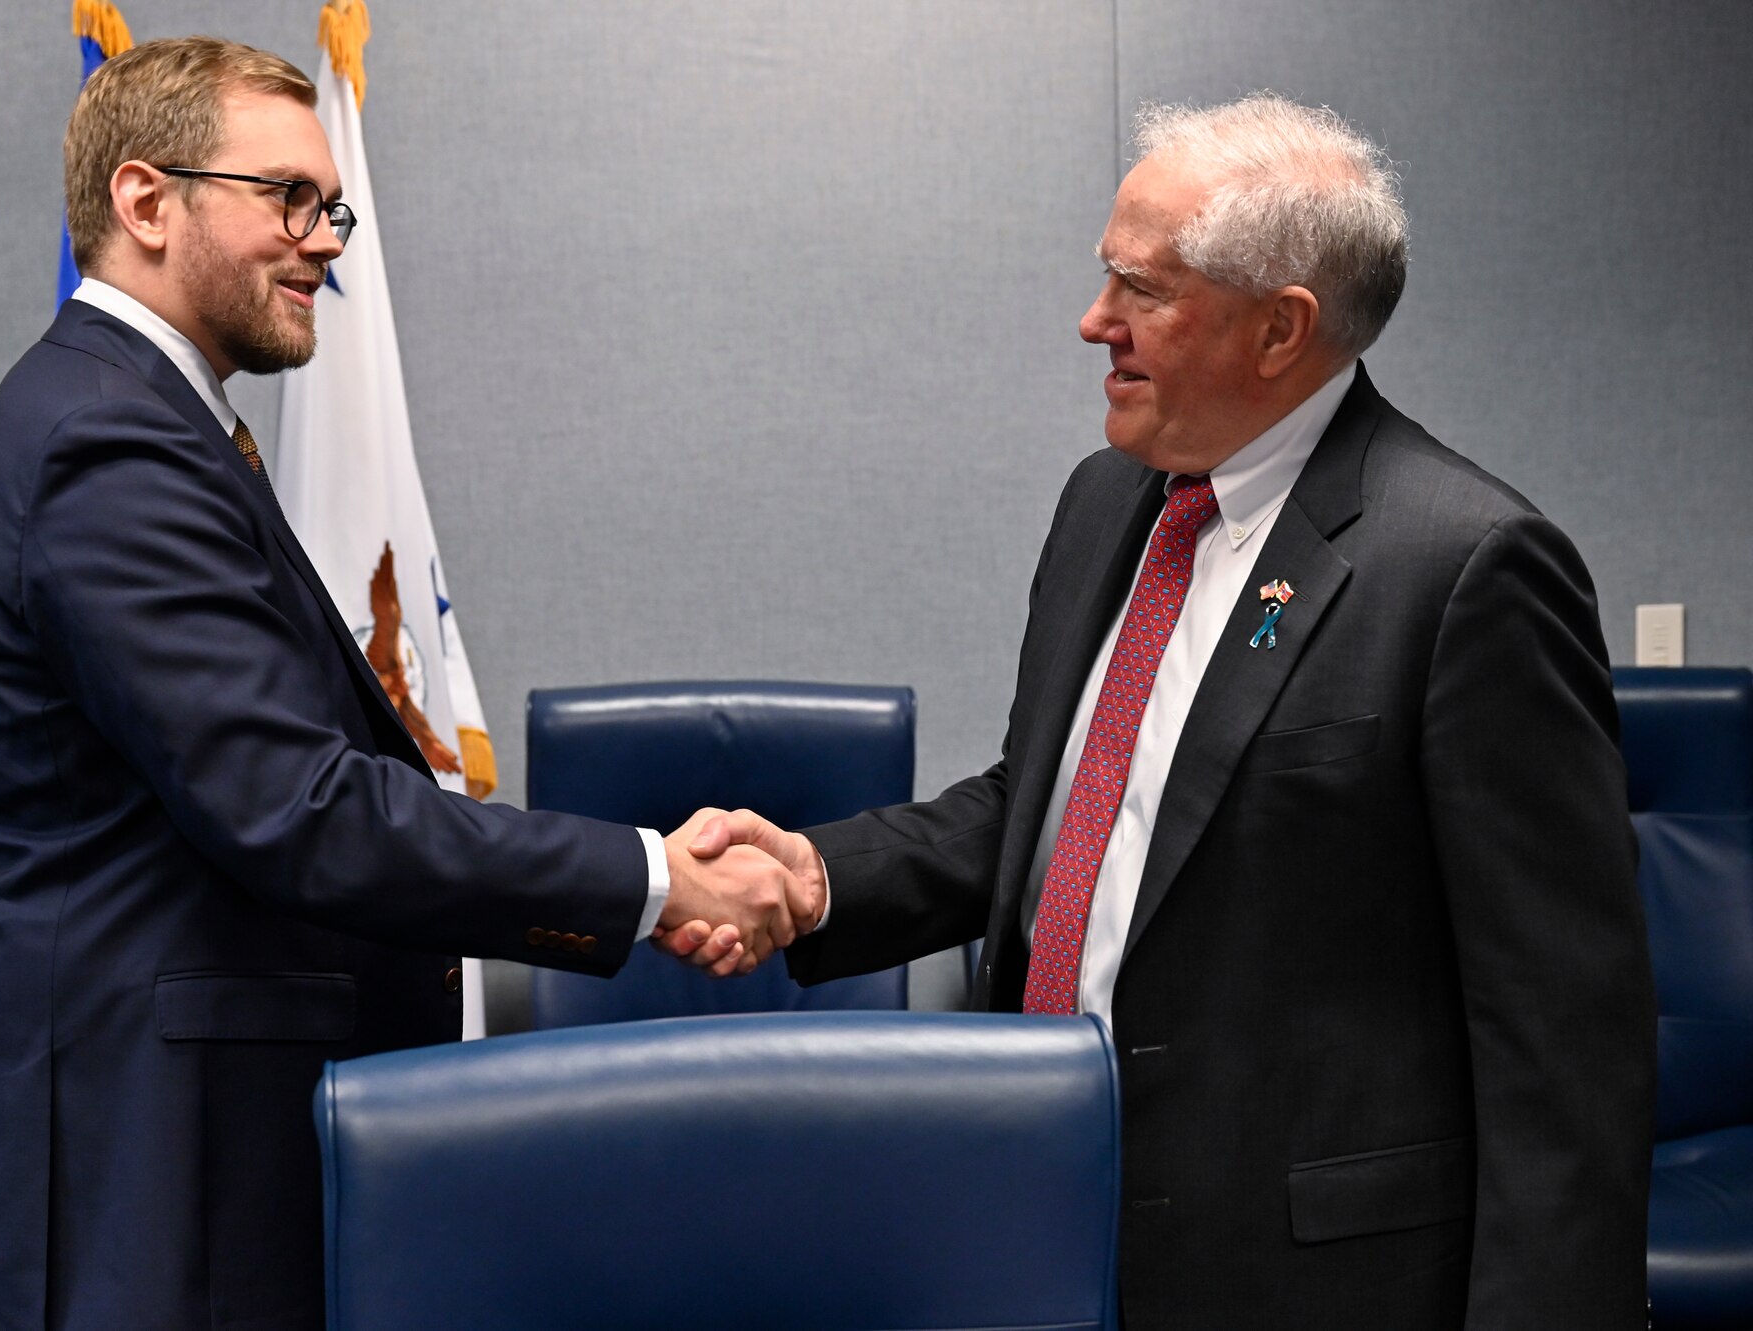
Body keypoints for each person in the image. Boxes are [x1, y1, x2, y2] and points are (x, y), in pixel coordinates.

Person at [684, 94, 1655, 1328]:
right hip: (1040, 1207)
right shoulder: (1108, 500)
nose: (1094, 323)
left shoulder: (1465, 564)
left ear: (1277, 330)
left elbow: (1562, 1040)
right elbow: (1054, 808)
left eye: (1139, 291)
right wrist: (819, 874)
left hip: (1301, 1276)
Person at [0, 37, 806, 1331]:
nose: (325, 237)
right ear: (145, 201)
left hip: (194, 1159)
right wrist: (659, 879)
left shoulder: (145, 422)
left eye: (329, 203)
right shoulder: (104, 444)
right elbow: (299, 809)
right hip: (146, 1184)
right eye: (287, 196)